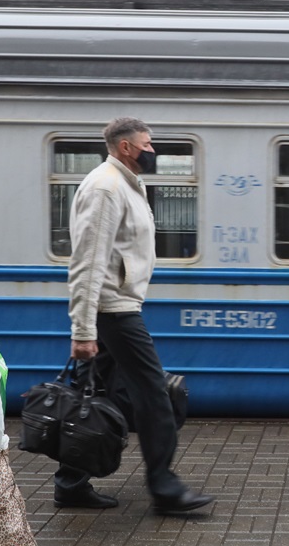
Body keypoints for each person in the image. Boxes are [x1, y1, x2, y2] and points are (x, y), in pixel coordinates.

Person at [58, 117, 214, 515]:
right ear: (125, 147)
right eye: (147, 143)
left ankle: (71, 483)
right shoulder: (107, 188)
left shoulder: (125, 183)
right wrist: (83, 329)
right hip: (114, 309)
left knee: (103, 394)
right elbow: (88, 263)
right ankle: (164, 487)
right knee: (154, 394)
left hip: (118, 303)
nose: (152, 150)